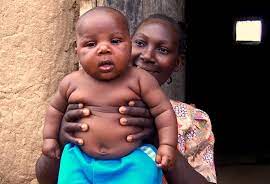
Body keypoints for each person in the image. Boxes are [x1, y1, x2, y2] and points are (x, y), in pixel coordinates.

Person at [36, 13, 217, 184]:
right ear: (130, 45)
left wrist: (160, 140)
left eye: (163, 49)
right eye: (140, 43)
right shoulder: (78, 101)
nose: (147, 56)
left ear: (177, 62)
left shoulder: (194, 121)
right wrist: (60, 138)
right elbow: (46, 179)